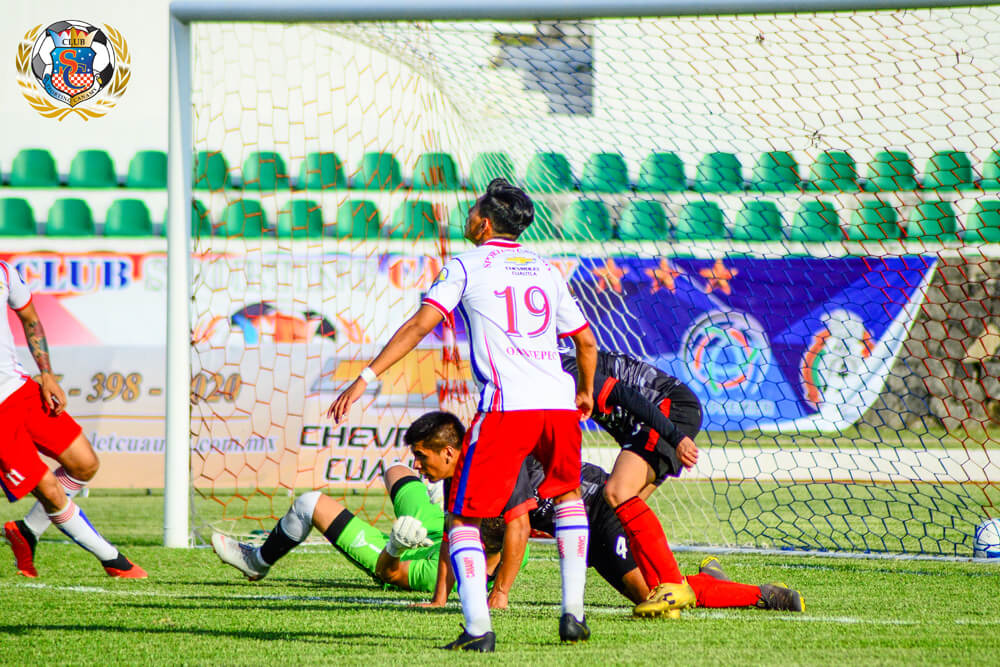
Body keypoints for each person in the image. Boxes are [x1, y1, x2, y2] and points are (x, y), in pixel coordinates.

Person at [329, 178, 598, 651]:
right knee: (568, 497)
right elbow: (586, 341)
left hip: (508, 406)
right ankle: (573, 615)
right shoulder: (545, 269)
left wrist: (365, 377)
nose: (468, 215)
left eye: (473, 209)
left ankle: (477, 630)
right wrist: (585, 392)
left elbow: (420, 326)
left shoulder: (466, 265)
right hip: (557, 403)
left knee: (461, 519)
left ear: (485, 223)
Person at [212, 411, 534, 603]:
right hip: (436, 522)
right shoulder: (512, 541)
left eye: (422, 457)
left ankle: (257, 562)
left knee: (309, 503)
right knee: (396, 468)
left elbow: (389, 573)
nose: (418, 463)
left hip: (405, 545)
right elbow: (518, 528)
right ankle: (434, 490)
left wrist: (395, 546)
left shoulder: (440, 572)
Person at [0, 261, 146, 579]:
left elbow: (31, 318)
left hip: (21, 390)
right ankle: (113, 560)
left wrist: (47, 375)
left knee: (84, 464)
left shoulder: (5, 272)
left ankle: (26, 530)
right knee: (50, 490)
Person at [524, 457, 804, 613]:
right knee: (651, 599)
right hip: (585, 537)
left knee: (660, 599)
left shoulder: (515, 458)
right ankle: (709, 580)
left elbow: (516, 528)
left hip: (600, 508)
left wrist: (501, 590)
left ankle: (765, 594)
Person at [559, 348, 705, 617]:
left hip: (669, 407)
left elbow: (626, 396)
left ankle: (672, 584)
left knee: (617, 491)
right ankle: (755, 594)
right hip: (654, 419)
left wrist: (675, 439)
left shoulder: (563, 369)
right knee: (623, 514)